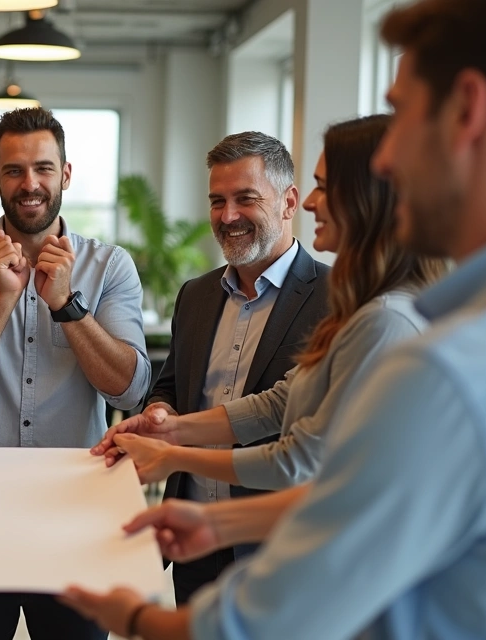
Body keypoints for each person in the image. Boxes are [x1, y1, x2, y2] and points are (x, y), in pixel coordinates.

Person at [62, 0, 486, 638]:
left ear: (468, 110)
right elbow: (370, 507)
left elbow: (291, 600)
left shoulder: (449, 366)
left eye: (403, 111)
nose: (384, 163)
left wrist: (136, 618)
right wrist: (216, 518)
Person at [93, 115, 446, 545]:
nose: (315, 201)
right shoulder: (366, 308)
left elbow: (298, 459)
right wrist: (168, 429)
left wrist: (173, 455)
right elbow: (278, 405)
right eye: (217, 200)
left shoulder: (383, 318)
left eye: (324, 186)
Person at [0, 106, 152, 640]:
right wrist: (4, 297)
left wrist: (67, 305)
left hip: (76, 520)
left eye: (44, 168)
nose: (31, 184)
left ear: (65, 174)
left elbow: (129, 388)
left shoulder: (109, 266)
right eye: (15, 170)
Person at [137, 131, 330, 604]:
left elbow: (288, 417)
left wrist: (175, 445)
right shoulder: (196, 295)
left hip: (281, 543)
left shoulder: (337, 298)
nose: (227, 217)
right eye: (217, 201)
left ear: (288, 203)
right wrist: (162, 416)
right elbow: (171, 390)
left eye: (245, 199)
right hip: (193, 536)